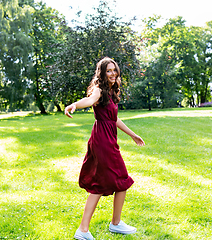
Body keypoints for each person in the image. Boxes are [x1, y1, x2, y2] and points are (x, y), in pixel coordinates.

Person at [64, 57, 145, 240]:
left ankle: (102, 226)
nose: (113, 74)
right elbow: (89, 99)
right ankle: (98, 227)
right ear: (102, 73)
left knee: (111, 182)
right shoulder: (99, 91)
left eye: (114, 70)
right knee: (118, 180)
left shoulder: (110, 93)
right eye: (108, 71)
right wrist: (75, 105)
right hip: (102, 140)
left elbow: (114, 119)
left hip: (108, 138)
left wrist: (132, 134)